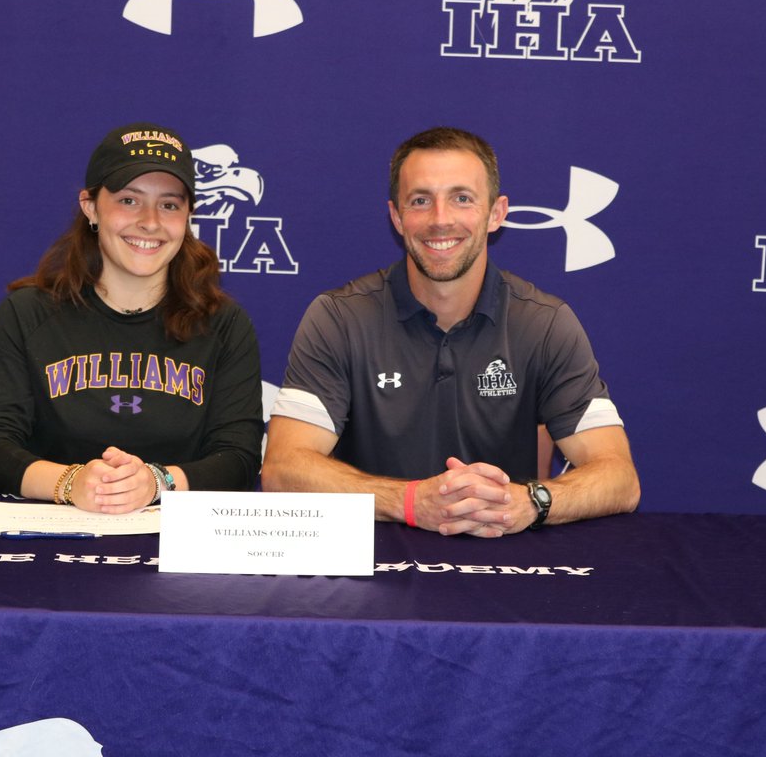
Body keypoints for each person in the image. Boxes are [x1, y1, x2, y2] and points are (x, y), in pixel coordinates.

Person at [261, 126, 638, 536]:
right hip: (371, 561)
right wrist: (410, 502)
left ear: (496, 213)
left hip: (505, 560)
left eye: (462, 198)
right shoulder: (339, 317)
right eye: (420, 200)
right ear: (397, 216)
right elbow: (283, 467)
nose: (441, 220)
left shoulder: (545, 322)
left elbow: (619, 478)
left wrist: (529, 502)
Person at [0, 122, 263, 511]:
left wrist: (156, 482)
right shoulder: (26, 314)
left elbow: (239, 459)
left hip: (173, 538)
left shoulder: (224, 323)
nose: (151, 222)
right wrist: (71, 483)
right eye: (129, 200)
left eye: (169, 205)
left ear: (188, 215)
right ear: (90, 207)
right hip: (50, 534)